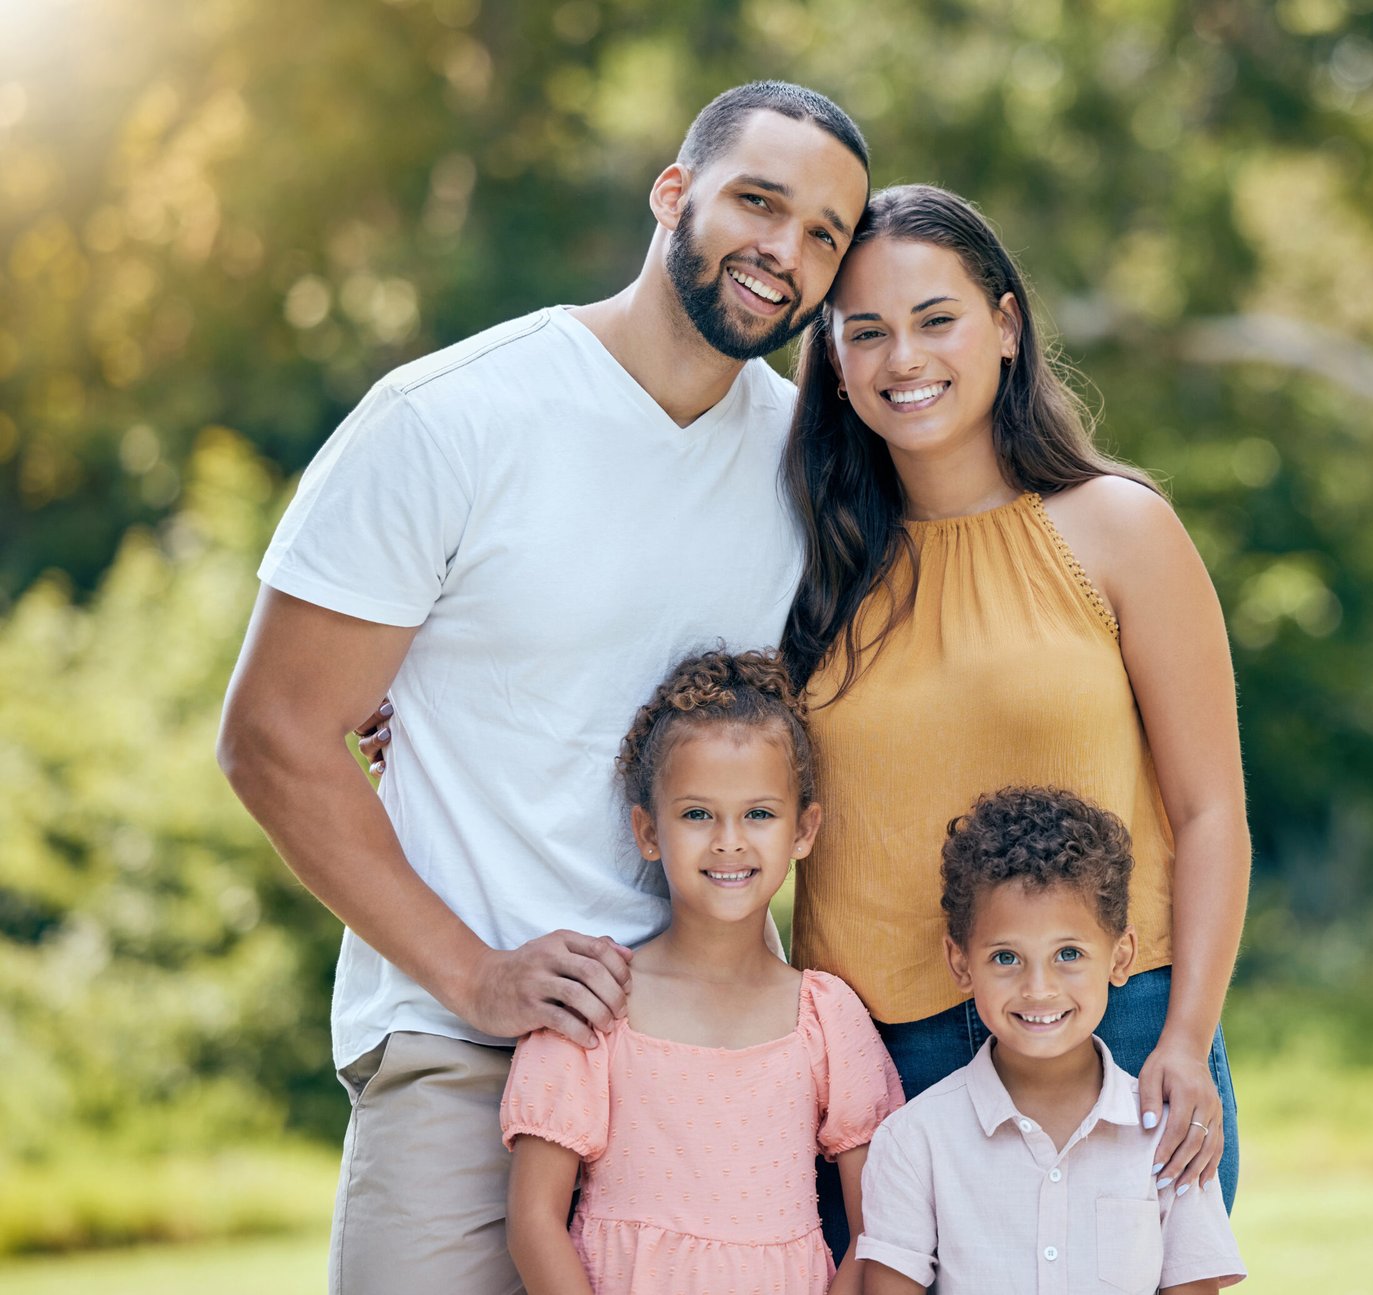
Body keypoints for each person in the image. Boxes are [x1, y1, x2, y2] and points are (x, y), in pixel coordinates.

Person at [216, 82, 871, 1294]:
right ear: (674, 193)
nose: (784, 253)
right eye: (759, 203)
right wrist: (475, 973)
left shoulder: (812, 469)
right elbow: (272, 736)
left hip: (708, 1066)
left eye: (824, 234)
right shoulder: (450, 419)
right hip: (466, 1049)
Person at [782, 184, 1250, 1222]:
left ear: (1004, 324)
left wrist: (1183, 1034)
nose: (903, 358)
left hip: (1112, 1023)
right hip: (873, 1062)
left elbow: (1212, 810)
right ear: (833, 362)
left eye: (935, 319)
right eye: (865, 333)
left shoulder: (1119, 529)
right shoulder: (808, 560)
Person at [502, 648, 902, 1295]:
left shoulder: (826, 1017)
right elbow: (532, 1219)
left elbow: (878, 1228)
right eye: (696, 813)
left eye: (759, 814)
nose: (728, 839)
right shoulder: (600, 1003)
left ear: (804, 829)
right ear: (648, 830)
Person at [857, 787, 1245, 1294]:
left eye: (1068, 954)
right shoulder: (914, 1142)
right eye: (1005, 958)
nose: (1038, 988)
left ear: (1121, 955)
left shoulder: (1169, 1138)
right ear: (960, 963)